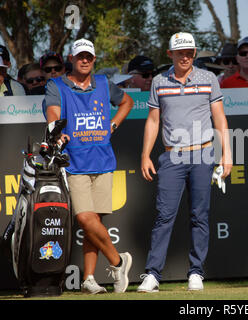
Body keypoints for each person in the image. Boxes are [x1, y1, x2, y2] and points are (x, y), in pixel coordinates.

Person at [138, 32, 232, 292]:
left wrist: (227, 154)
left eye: (189, 51)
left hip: (203, 154)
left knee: (199, 216)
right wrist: (145, 154)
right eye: (180, 52)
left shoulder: (208, 78)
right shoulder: (159, 81)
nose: (185, 56)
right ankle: (153, 274)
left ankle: (196, 273)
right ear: (170, 54)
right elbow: (154, 120)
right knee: (164, 216)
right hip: (171, 155)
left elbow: (220, 119)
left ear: (194, 52)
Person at [43, 38, 134, 294]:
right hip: (73, 162)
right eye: (80, 56)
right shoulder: (56, 85)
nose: (85, 60)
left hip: (102, 160)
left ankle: (90, 280)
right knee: (85, 218)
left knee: (94, 223)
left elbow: (127, 102)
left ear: (94, 60)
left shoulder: (104, 83)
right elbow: (53, 111)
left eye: (89, 57)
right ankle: (119, 261)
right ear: (70, 59)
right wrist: (56, 130)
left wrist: (112, 125)